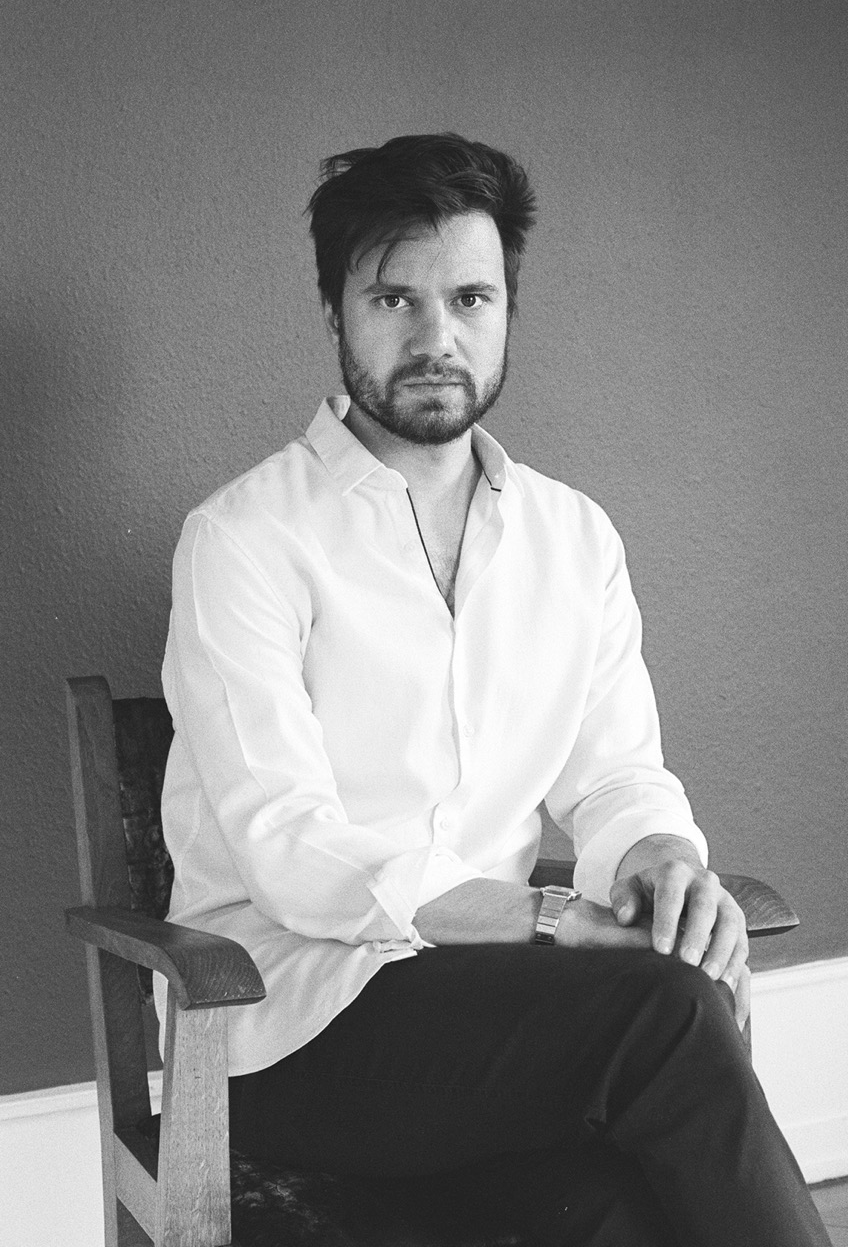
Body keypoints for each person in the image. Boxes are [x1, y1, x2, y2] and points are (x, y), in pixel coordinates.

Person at [156, 133, 828, 1245]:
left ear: (508, 309)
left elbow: (615, 776)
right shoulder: (243, 539)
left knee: (623, 1211)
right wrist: (557, 920)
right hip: (288, 1028)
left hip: (499, 1031)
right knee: (668, 1012)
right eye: (394, 299)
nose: (436, 338)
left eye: (469, 297)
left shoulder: (574, 536)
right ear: (334, 313)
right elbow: (289, 843)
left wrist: (664, 867)